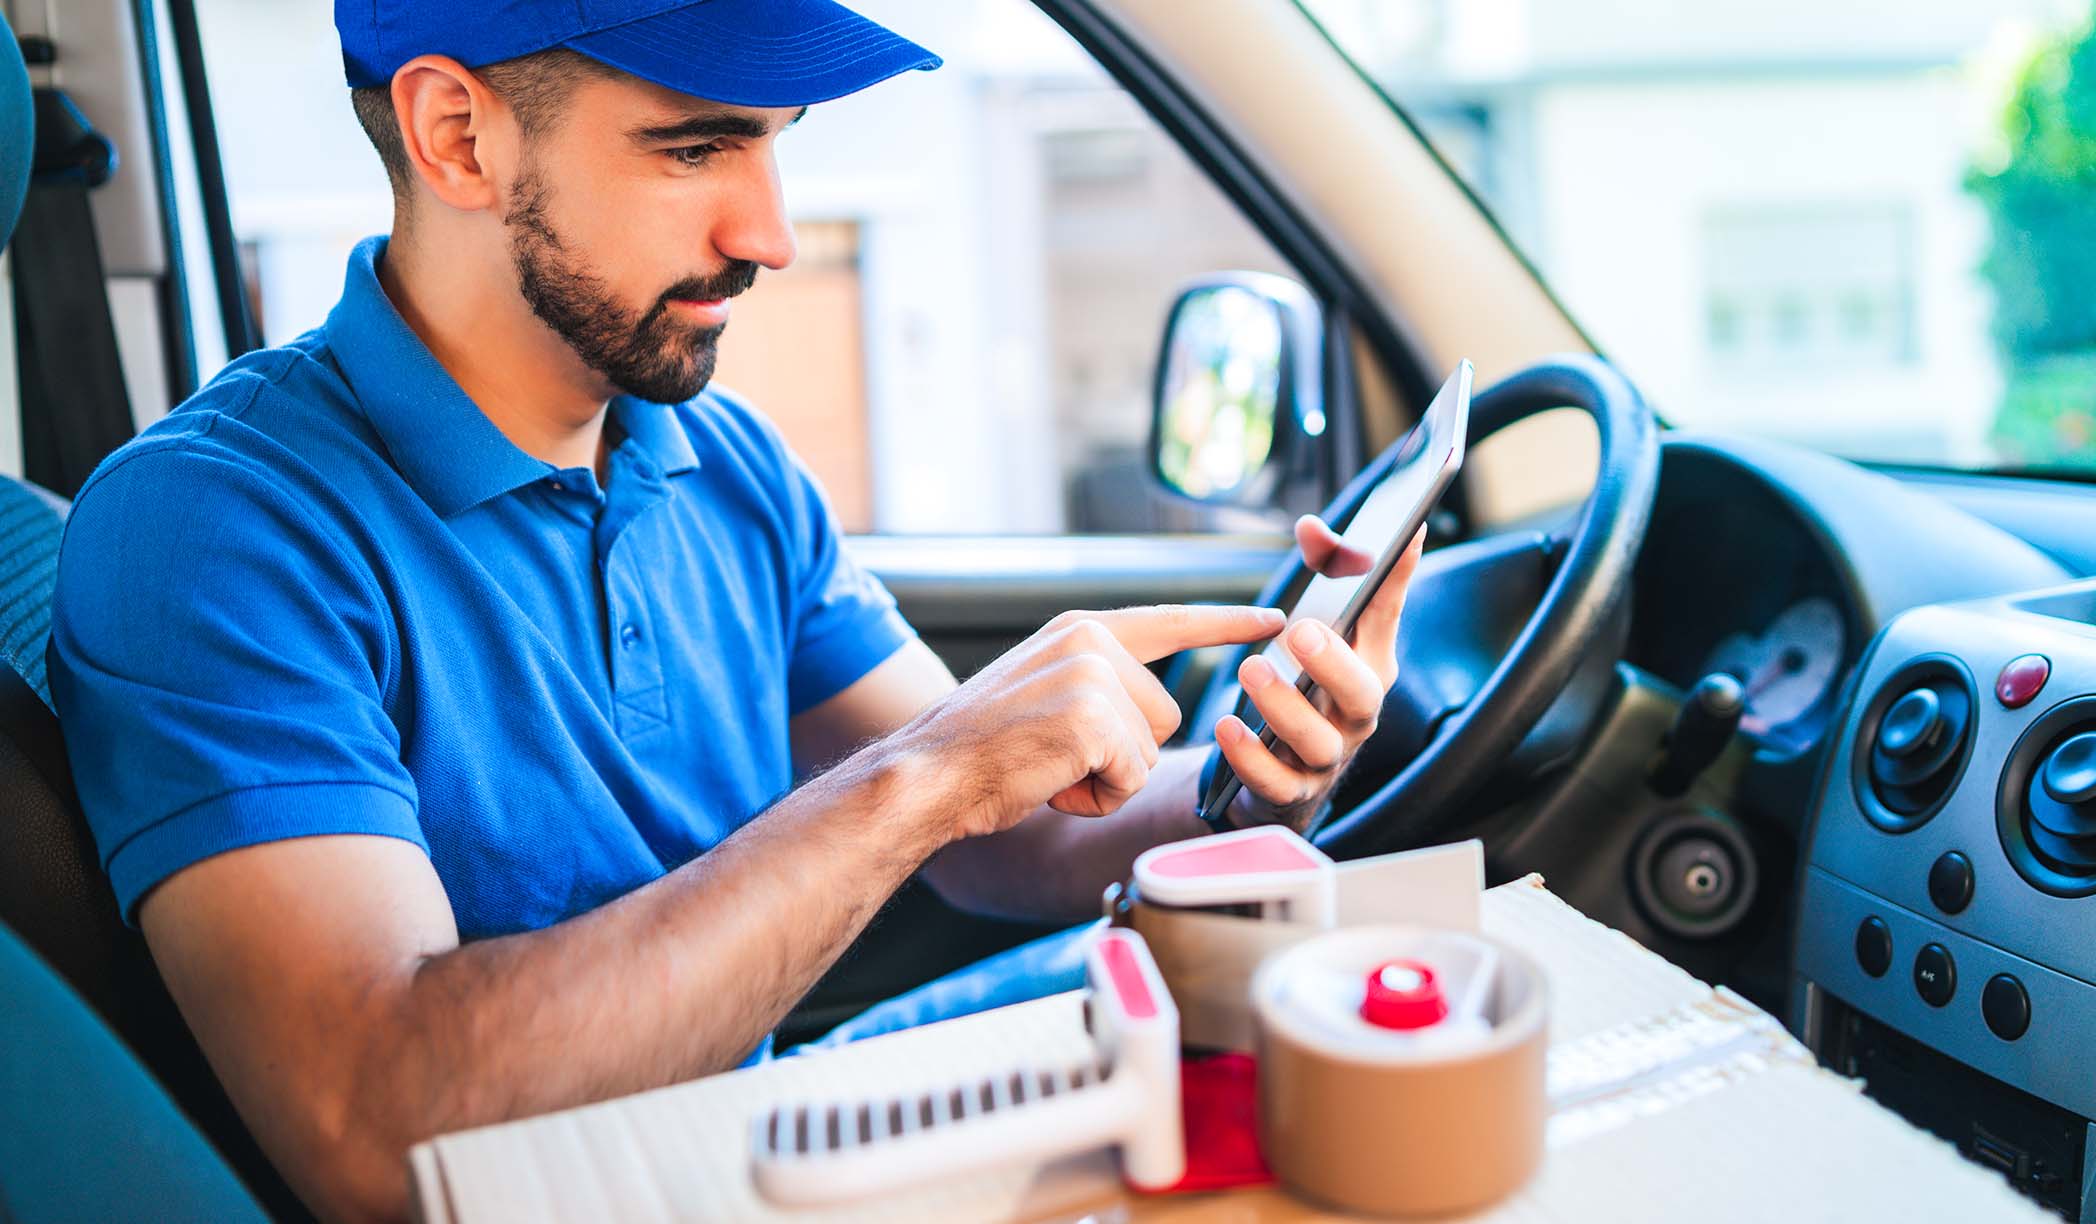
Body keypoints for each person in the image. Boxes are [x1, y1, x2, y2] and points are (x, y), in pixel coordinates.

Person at [48, 2, 1420, 1220]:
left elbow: (992, 845)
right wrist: (926, 776)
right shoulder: (212, 531)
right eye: (693, 149)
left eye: (776, 143)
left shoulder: (727, 461)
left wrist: (1239, 787)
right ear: (458, 135)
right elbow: (377, 1131)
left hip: (754, 1147)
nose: (768, 231)